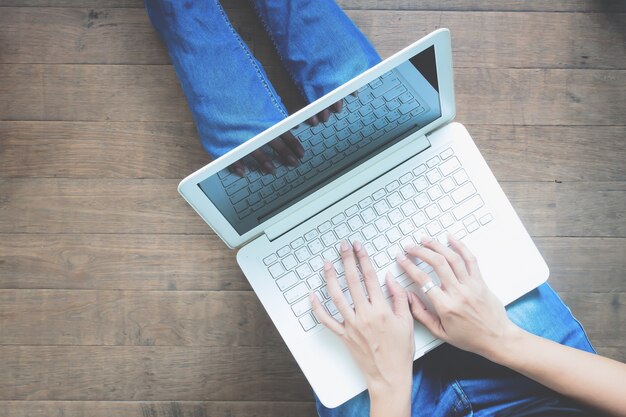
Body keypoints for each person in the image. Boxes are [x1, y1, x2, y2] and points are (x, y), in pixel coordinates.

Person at [145, 1, 626, 416]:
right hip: (542, 376)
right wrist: (500, 338)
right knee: (376, 117)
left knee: (258, 173)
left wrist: (389, 385)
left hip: (396, 407)